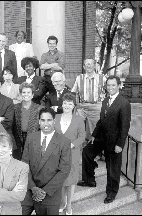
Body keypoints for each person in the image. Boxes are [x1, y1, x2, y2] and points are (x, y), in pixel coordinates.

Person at [77, 75, 131, 204]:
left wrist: (120, 144)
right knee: (87, 152)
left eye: (113, 85)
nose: (110, 87)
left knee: (113, 167)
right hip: (101, 137)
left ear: (118, 86)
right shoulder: (106, 100)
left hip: (114, 141)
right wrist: (94, 135)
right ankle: (89, 180)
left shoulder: (124, 103)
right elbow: (101, 120)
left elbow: (125, 126)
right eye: (108, 85)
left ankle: (112, 192)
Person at [21, 107, 71, 215]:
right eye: (43, 120)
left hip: (50, 193)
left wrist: (44, 191)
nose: (46, 123)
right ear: (39, 121)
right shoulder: (31, 138)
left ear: (54, 121)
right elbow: (24, 164)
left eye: (49, 120)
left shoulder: (64, 141)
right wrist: (33, 187)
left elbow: (64, 170)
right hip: (30, 190)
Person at [0, 133, 29, 215]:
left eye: (4, 146)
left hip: (12, 212)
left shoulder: (22, 167)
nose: (0, 150)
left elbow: (20, 196)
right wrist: (11, 193)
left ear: (10, 148)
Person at [54, 93, 85, 215]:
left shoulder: (79, 120)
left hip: (73, 154)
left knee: (71, 180)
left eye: (70, 103)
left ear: (74, 106)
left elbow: (82, 136)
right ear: (62, 104)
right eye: (65, 103)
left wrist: (72, 144)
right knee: (60, 179)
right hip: (57, 155)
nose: (67, 105)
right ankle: (62, 202)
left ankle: (69, 204)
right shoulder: (55, 118)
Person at [71, 58, 107, 141]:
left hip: (96, 105)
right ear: (84, 67)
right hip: (82, 106)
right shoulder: (79, 78)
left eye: (91, 64)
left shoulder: (102, 78)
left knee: (95, 131)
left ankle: (94, 149)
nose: (89, 65)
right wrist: (76, 104)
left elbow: (109, 93)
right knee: (75, 125)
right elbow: (73, 93)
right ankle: (78, 147)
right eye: (86, 64)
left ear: (94, 66)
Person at [12, 82, 44, 160]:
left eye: (28, 92)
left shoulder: (39, 108)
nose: (26, 94)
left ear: (32, 94)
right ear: (20, 94)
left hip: (33, 138)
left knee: (32, 160)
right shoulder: (15, 108)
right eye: (24, 92)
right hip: (18, 138)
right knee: (18, 159)